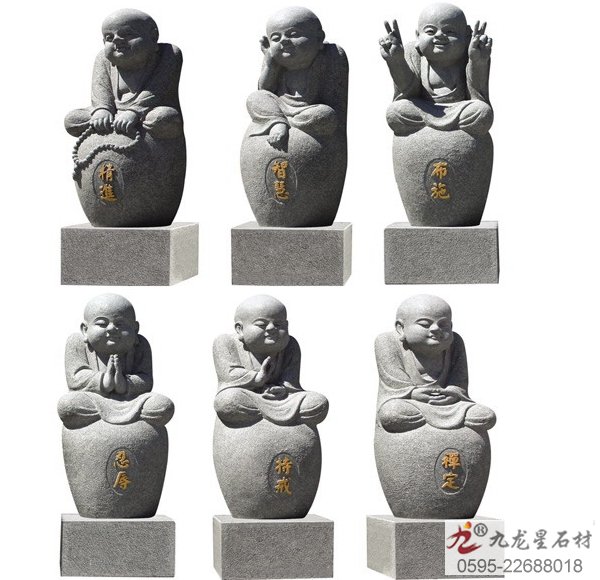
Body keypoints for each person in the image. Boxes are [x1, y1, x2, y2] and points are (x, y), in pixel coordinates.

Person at [375, 295, 495, 432]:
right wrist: (413, 393)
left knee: (486, 416)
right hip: (409, 402)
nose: (436, 329)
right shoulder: (387, 342)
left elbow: (459, 382)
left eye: (443, 324)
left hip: (449, 404)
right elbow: (393, 385)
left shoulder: (456, 342)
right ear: (401, 328)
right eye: (425, 324)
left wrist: (453, 393)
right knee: (392, 414)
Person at [58, 294, 174, 429]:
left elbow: (146, 380)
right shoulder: (76, 342)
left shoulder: (141, 345)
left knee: (162, 405)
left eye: (120, 324)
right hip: (92, 400)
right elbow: (75, 379)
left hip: (132, 402)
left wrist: (123, 382)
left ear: (135, 329)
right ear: (85, 330)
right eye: (102, 324)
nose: (111, 328)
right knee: (68, 405)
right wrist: (104, 380)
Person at [64, 8, 183, 139]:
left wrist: (134, 112)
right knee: (72, 120)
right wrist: (102, 110)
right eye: (109, 37)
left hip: (148, 113)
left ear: (153, 37)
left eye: (127, 34)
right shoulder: (103, 58)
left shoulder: (169, 53)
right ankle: (108, 127)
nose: (116, 40)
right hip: (112, 114)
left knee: (164, 118)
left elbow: (157, 89)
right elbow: (100, 91)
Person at [213, 295, 328, 427]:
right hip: (246, 396)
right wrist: (257, 378)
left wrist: (282, 389)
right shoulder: (225, 343)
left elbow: (291, 383)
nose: (271, 328)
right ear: (240, 329)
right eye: (261, 324)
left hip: (282, 400)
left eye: (278, 324)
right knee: (227, 401)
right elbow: (228, 376)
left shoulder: (290, 345)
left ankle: (263, 417)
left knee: (318, 402)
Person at [379, 3, 492, 136]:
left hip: (460, 110)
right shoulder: (411, 52)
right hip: (423, 110)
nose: (440, 35)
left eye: (449, 31)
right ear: (418, 36)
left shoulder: (473, 54)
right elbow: (408, 92)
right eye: (430, 31)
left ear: (467, 35)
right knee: (395, 111)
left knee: (482, 111)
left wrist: (478, 62)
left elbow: (477, 94)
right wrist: (396, 61)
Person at [246, 6, 348, 149]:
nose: (284, 41)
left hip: (309, 111)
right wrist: (270, 63)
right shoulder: (274, 62)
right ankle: (277, 122)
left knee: (326, 115)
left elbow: (336, 103)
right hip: (280, 108)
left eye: (293, 34)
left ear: (319, 39)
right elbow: (264, 90)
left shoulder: (331, 55)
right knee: (255, 98)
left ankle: (280, 120)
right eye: (276, 38)